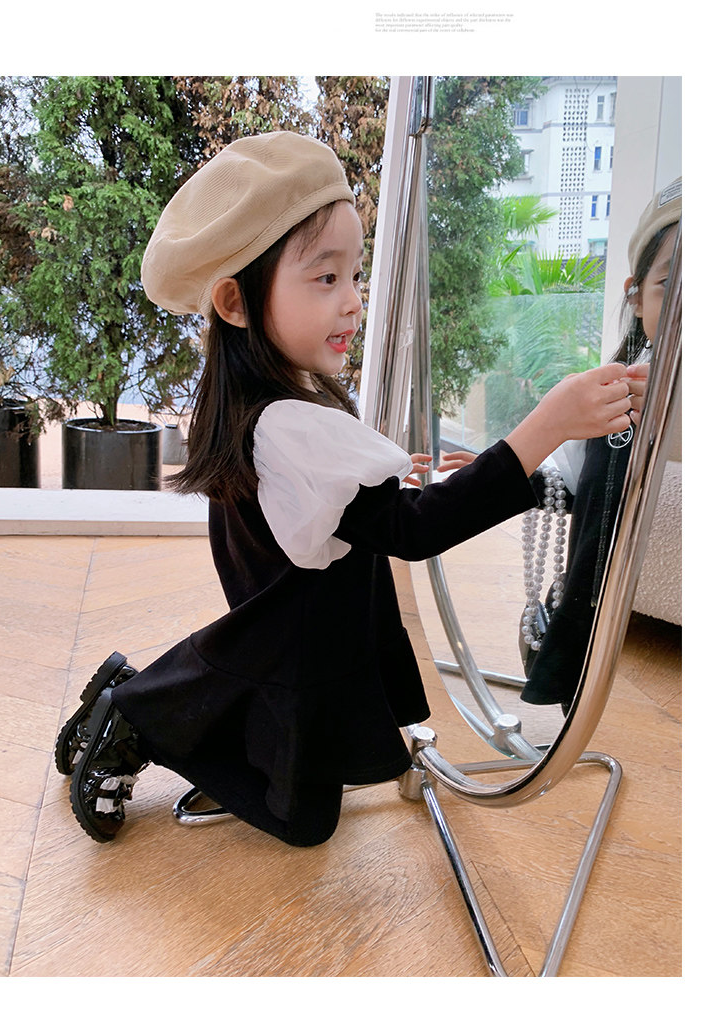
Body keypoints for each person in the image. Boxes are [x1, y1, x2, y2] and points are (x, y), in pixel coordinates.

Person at [55, 132, 637, 848]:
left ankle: (137, 698)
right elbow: (413, 531)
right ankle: (133, 712)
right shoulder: (290, 421)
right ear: (235, 302)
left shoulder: (261, 398)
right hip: (296, 629)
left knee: (302, 813)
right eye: (326, 278)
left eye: (354, 276)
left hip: (299, 619)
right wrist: (548, 425)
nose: (354, 302)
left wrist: (392, 484)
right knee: (300, 819)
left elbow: (356, 504)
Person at [515, 178, 681, 710]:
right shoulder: (618, 394)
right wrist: (506, 467)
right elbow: (565, 474)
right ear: (636, 296)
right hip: (607, 616)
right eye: (672, 285)